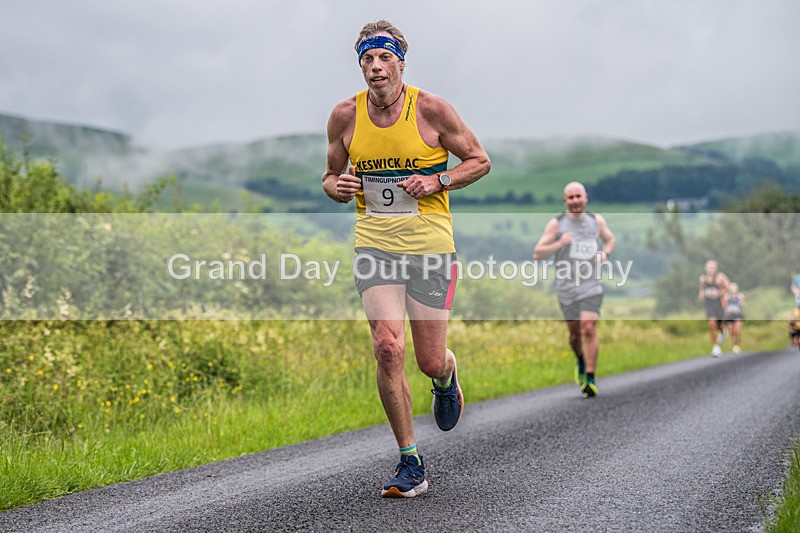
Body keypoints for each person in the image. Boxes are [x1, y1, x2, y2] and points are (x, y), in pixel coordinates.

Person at [322, 20, 491, 498]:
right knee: (387, 347)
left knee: (428, 358)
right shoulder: (343, 117)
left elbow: (479, 160)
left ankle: (447, 375)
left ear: (400, 63)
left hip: (430, 247)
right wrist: (340, 187)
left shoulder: (431, 110)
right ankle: (410, 461)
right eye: (366, 60)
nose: (375, 68)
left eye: (383, 59)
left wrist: (438, 181)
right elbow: (330, 177)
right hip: (374, 244)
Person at [533, 182, 615, 398]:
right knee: (574, 335)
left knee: (589, 327)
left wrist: (605, 253)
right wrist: (559, 243)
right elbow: (538, 253)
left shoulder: (596, 221)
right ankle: (580, 359)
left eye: (578, 196)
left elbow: (610, 239)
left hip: (591, 285)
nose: (575, 201)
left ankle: (590, 377)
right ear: (565, 201)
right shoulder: (557, 224)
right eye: (570, 198)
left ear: (586, 198)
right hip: (567, 288)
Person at [698, 260, 730, 357]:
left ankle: (724, 330)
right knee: (711, 323)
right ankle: (715, 347)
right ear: (705, 268)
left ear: (716, 269)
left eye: (712, 267)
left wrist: (719, 293)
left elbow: (728, 288)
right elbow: (702, 289)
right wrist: (702, 294)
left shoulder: (721, 277)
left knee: (718, 324)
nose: (710, 269)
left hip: (719, 304)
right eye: (709, 267)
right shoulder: (703, 279)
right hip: (709, 304)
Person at [721, 282, 745, 354]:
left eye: (734, 289)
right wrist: (727, 309)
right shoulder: (726, 297)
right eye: (731, 289)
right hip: (730, 316)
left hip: (738, 315)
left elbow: (743, 305)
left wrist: (741, 303)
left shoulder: (740, 296)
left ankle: (737, 346)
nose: (733, 290)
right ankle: (734, 344)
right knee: (731, 331)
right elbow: (724, 306)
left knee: (737, 330)